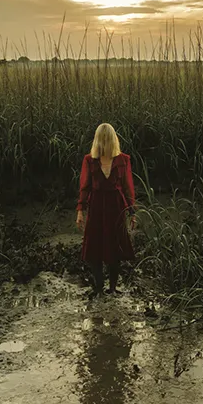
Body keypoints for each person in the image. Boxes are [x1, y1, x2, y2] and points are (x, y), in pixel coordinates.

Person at [75, 123, 136, 297]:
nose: (102, 141)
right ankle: (99, 286)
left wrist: (132, 212)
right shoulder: (89, 160)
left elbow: (128, 187)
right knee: (94, 246)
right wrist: (80, 210)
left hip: (116, 207)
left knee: (114, 247)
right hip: (96, 208)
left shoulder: (123, 159)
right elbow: (84, 187)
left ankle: (113, 287)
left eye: (105, 138)